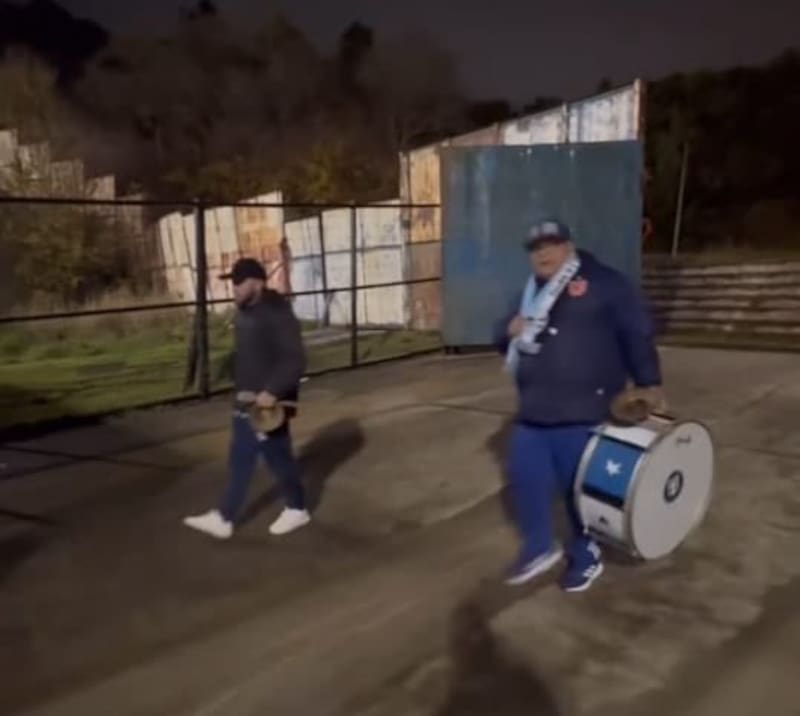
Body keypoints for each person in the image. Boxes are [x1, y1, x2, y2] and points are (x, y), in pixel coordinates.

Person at [494, 219, 664, 592]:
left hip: (586, 411)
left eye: (551, 244)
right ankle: (539, 547)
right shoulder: (527, 293)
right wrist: (507, 331)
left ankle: (585, 555)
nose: (543, 253)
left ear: (569, 245)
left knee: (579, 494)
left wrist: (648, 382)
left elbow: (636, 332)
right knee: (526, 478)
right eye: (536, 248)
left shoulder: (605, 283)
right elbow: (502, 335)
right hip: (534, 411)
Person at [184, 257, 310, 539]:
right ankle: (225, 517)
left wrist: (272, 391)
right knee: (243, 458)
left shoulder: (277, 313)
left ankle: (296, 508)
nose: (235, 289)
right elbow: (251, 356)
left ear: (256, 282)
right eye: (233, 283)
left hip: (269, 407)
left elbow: (295, 359)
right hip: (246, 401)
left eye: (239, 283)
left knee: (278, 459)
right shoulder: (244, 313)